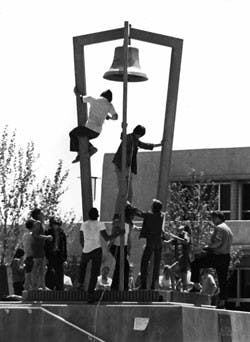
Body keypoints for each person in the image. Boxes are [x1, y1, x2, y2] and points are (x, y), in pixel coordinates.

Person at [112, 125, 162, 214]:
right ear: (140, 134)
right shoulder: (129, 138)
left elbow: (144, 145)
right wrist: (123, 128)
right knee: (122, 191)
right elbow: (123, 137)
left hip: (127, 168)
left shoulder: (135, 140)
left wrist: (159, 144)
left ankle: (126, 211)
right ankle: (117, 213)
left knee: (130, 193)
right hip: (121, 166)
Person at [79, 207, 123, 303]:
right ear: (97, 216)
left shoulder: (84, 224)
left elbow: (81, 239)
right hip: (96, 250)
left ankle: (80, 284)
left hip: (86, 249)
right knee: (94, 273)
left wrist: (84, 247)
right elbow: (107, 238)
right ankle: (90, 294)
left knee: (82, 267)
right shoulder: (100, 224)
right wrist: (117, 233)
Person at [190, 211, 233, 309]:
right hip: (226, 257)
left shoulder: (220, 228)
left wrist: (207, 247)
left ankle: (196, 286)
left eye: (213, 218)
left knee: (195, 263)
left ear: (218, 217)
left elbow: (218, 242)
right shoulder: (228, 229)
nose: (212, 220)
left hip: (217, 256)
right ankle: (222, 302)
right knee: (223, 280)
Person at [70, 89, 118, 163]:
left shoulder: (93, 99)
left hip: (89, 128)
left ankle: (89, 149)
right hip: (97, 132)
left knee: (72, 133)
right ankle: (85, 151)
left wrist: (76, 93)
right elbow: (115, 117)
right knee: (82, 138)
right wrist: (109, 117)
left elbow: (81, 99)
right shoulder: (109, 105)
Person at [136, 199, 164, 290]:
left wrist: (130, 207)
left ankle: (143, 284)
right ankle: (153, 285)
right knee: (156, 265)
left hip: (151, 243)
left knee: (144, 263)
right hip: (158, 243)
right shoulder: (161, 216)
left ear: (153, 207)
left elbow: (139, 213)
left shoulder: (149, 215)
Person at [30, 208, 53, 290]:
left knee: (43, 267)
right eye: (41, 213)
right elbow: (34, 235)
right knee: (37, 267)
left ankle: (42, 285)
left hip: (40, 248)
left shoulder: (41, 224)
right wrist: (47, 237)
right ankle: (34, 286)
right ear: (38, 215)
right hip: (37, 249)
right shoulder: (38, 223)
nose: (43, 214)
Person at [109, 212, 131, 291]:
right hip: (116, 247)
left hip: (123, 247)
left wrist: (128, 249)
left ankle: (122, 286)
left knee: (125, 266)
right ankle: (116, 286)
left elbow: (128, 238)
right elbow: (113, 236)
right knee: (120, 265)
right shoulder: (116, 226)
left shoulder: (127, 226)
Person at [44, 217, 67, 291]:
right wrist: (45, 257)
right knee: (50, 272)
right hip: (50, 255)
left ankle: (59, 290)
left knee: (59, 273)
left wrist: (65, 258)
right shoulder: (48, 232)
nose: (55, 226)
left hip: (59, 255)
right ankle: (49, 288)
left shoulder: (62, 234)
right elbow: (45, 245)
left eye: (57, 224)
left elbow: (64, 246)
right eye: (54, 224)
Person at [23, 220, 34, 291]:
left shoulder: (25, 235)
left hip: (27, 257)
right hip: (32, 257)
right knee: (33, 276)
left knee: (28, 275)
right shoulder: (32, 235)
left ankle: (26, 290)